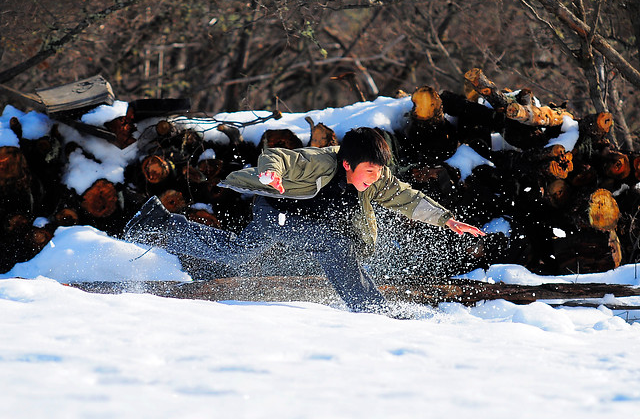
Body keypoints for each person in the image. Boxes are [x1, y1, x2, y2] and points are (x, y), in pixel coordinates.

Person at [124, 127, 484, 314]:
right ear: (347, 164)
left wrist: (447, 220)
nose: (374, 178)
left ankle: (157, 224)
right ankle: (370, 306)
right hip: (277, 213)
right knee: (330, 245)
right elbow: (278, 156)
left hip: (309, 225)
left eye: (379, 172)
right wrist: (270, 175)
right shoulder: (321, 161)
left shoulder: (377, 179)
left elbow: (406, 196)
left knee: (240, 253)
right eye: (369, 171)